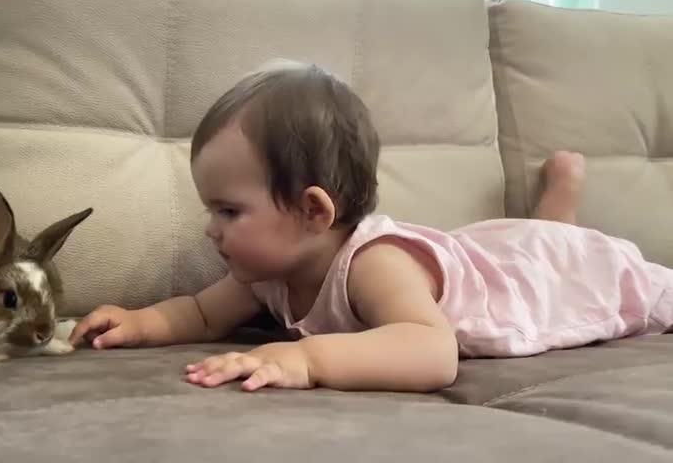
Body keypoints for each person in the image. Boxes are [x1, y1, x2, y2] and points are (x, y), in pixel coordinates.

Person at [68, 60, 673, 393]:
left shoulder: (374, 264)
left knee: (590, 268)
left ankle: (562, 209)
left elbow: (433, 352)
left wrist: (307, 361)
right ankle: (559, 203)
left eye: (228, 211)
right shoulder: (264, 270)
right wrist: (140, 323)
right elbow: (200, 315)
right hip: (484, 249)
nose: (211, 231)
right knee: (545, 238)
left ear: (313, 212)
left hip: (534, 275)